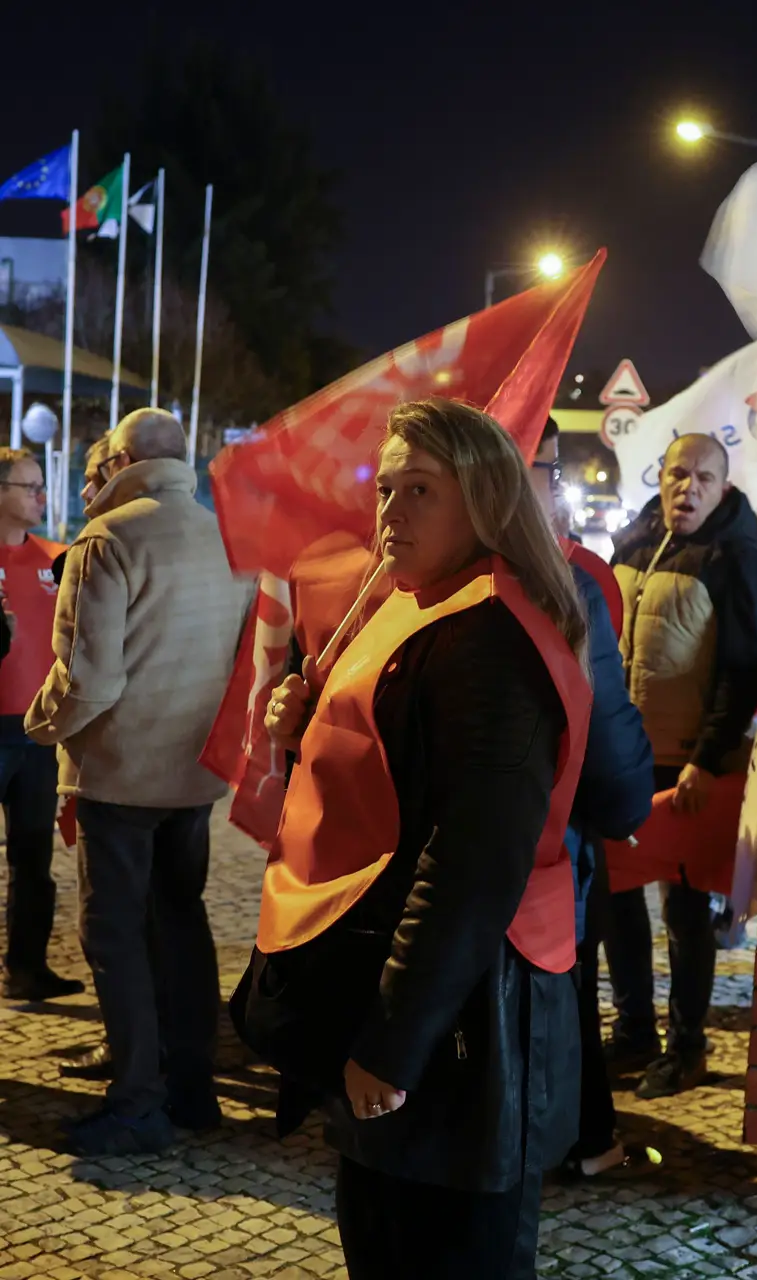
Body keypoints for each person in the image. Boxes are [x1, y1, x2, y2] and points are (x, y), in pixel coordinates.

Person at [242, 399, 590, 1279]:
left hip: (459, 1035)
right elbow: (400, 766)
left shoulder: (488, 647)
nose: (390, 515)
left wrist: (392, 1044)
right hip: (420, 1010)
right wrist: (308, 717)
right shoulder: (424, 605)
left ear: (483, 500)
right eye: (386, 489)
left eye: (420, 491)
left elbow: (471, 866)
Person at [27, 409, 251, 1154]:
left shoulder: (108, 539)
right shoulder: (225, 535)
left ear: (119, 460)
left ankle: (136, 1103)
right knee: (182, 925)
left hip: (120, 775)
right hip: (193, 772)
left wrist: (41, 726)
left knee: (114, 936)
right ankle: (192, 1088)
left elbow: (89, 677)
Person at [609, 432, 757, 1097]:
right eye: (677, 474)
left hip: (687, 765)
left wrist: (707, 761)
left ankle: (688, 1046)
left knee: (685, 913)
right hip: (625, 757)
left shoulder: (739, 558)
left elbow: (745, 672)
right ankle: (634, 1031)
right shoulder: (636, 540)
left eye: (703, 479)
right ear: (661, 477)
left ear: (724, 486)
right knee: (613, 894)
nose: (688, 488)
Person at [529, 417, 653, 1179]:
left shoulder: (577, 578)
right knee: (561, 990)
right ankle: (573, 1138)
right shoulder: (564, 581)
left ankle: (579, 1133)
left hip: (549, 843)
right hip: (549, 850)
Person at [0, 447, 79, 1002]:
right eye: (28, 486)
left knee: (34, 859)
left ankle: (26, 968)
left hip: (36, 733)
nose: (40, 497)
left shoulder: (57, 558)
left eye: (40, 487)